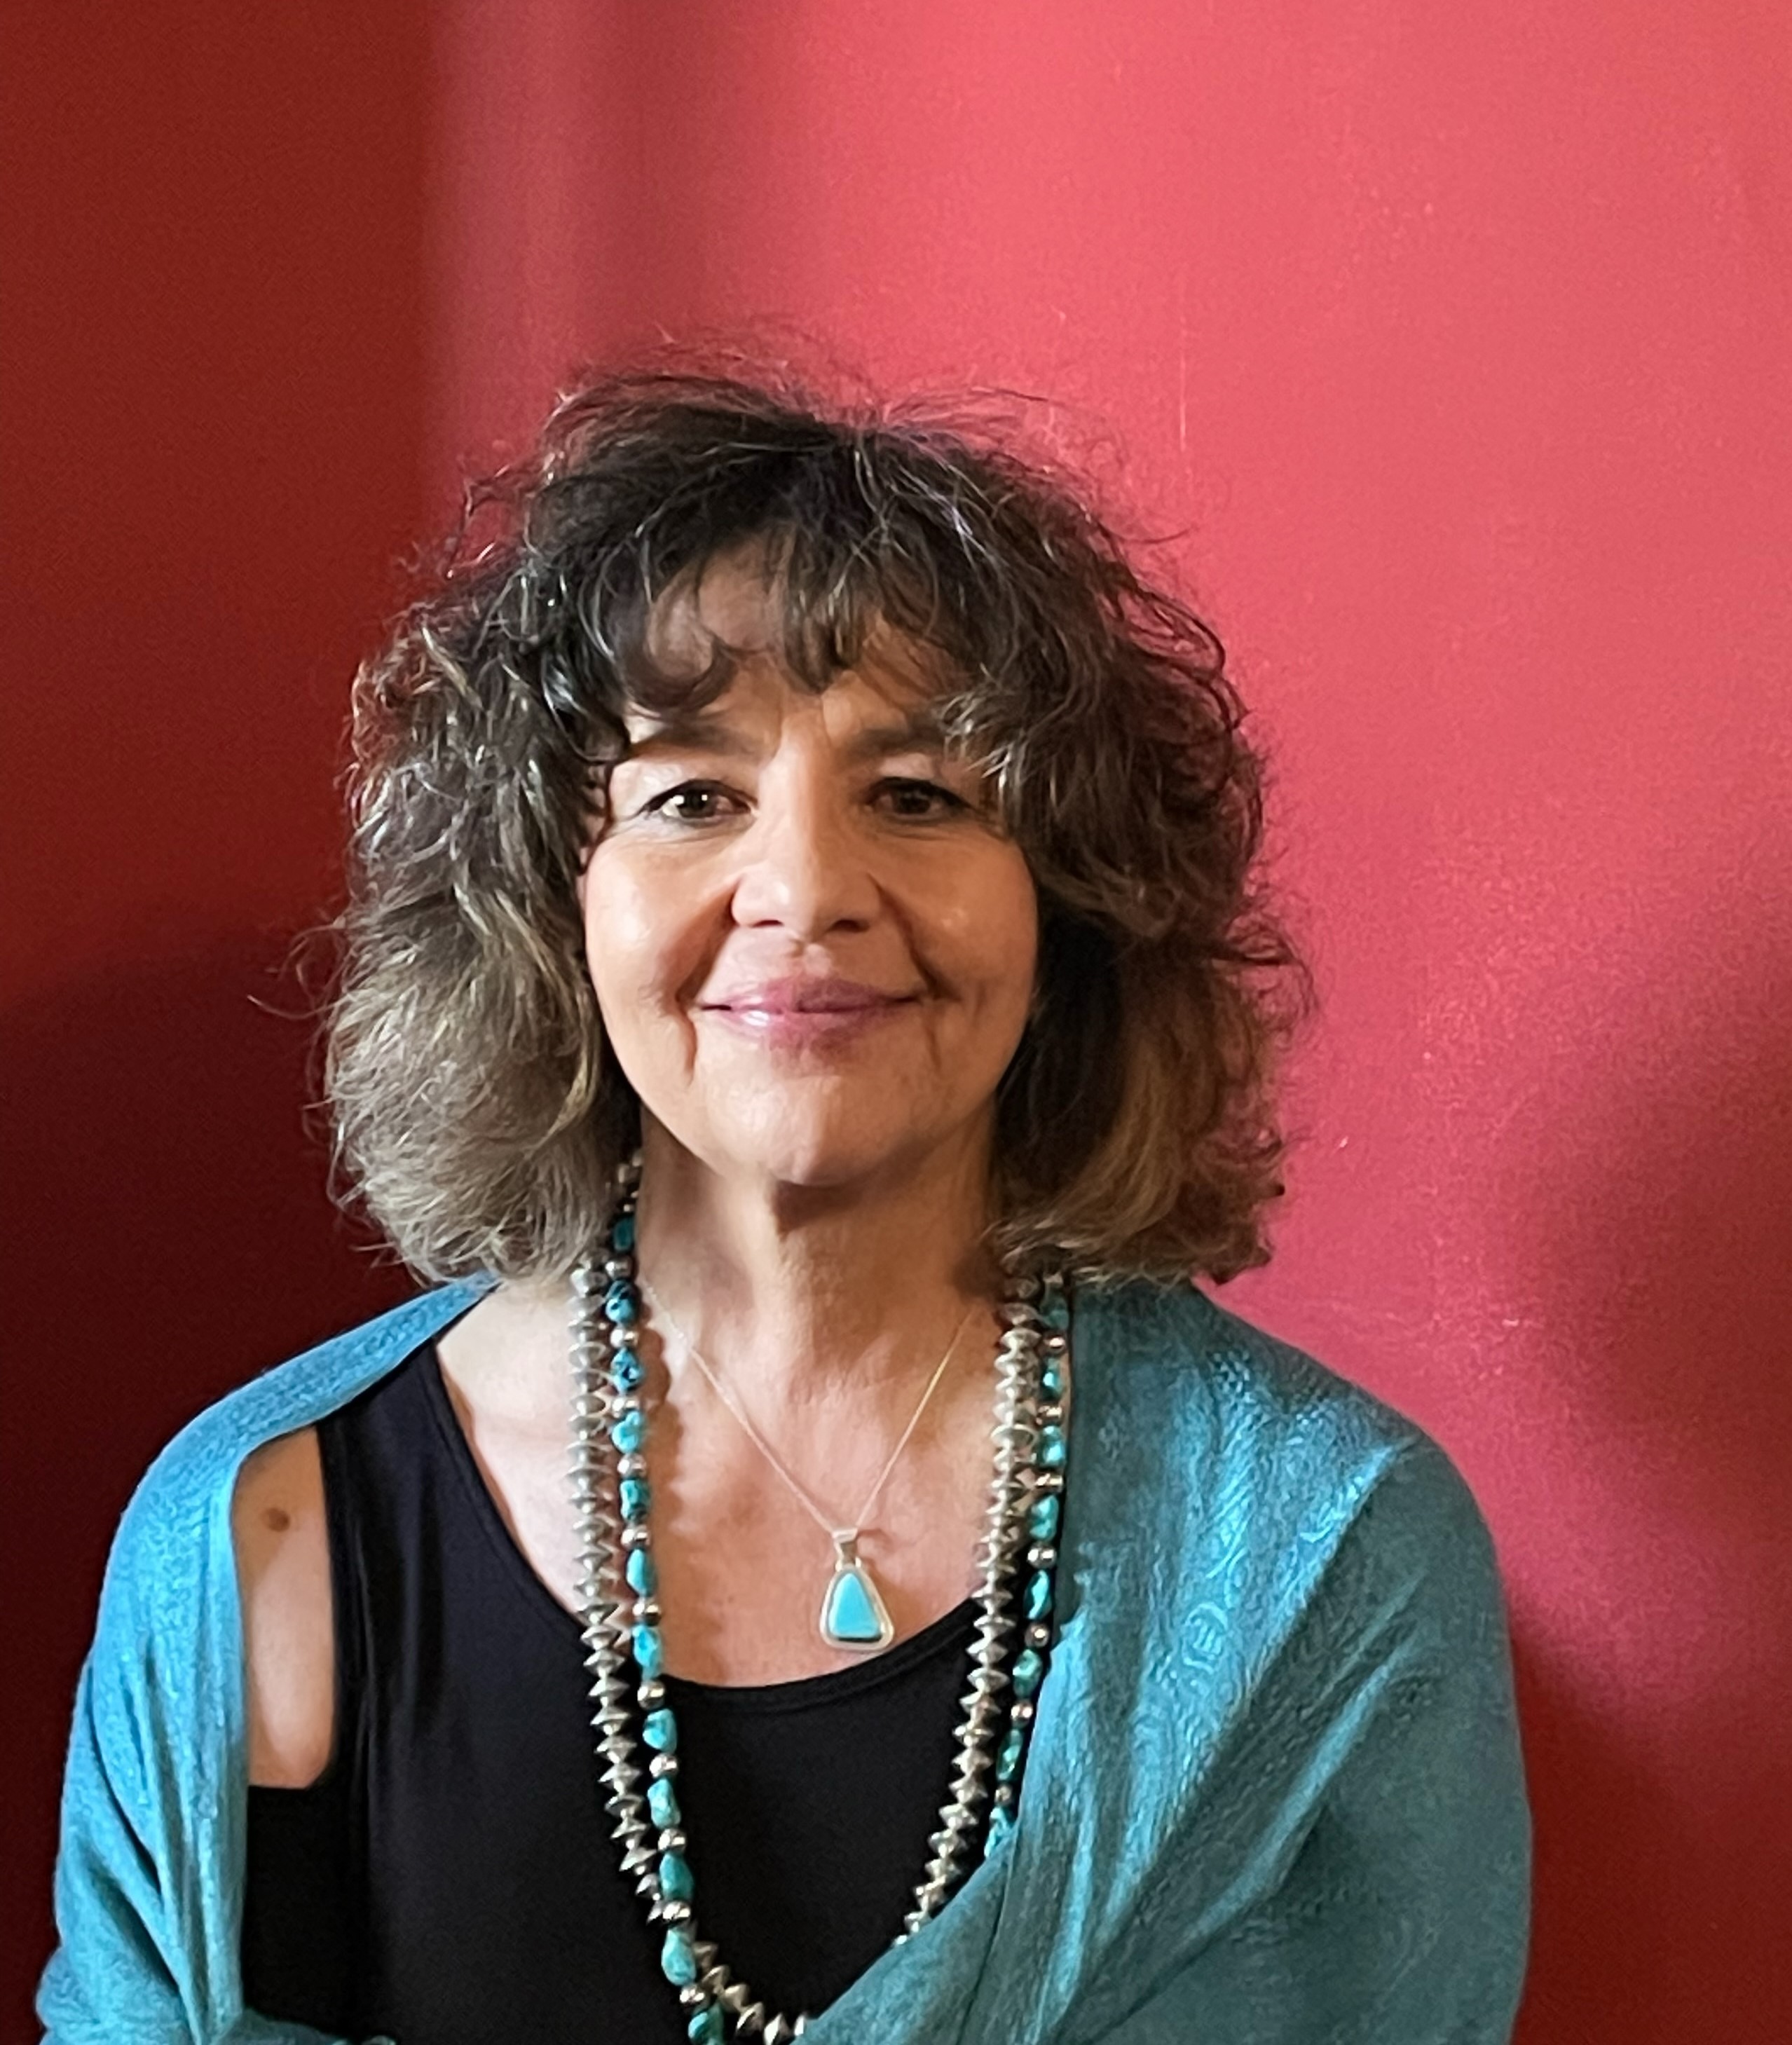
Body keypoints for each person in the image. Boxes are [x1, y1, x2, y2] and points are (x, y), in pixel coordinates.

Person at [39, 369, 1531, 2044]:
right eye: (690, 793)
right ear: (548, 903)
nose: (809, 889)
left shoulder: (1333, 1567)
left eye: (921, 793)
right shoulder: (267, 1536)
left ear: (1073, 902)